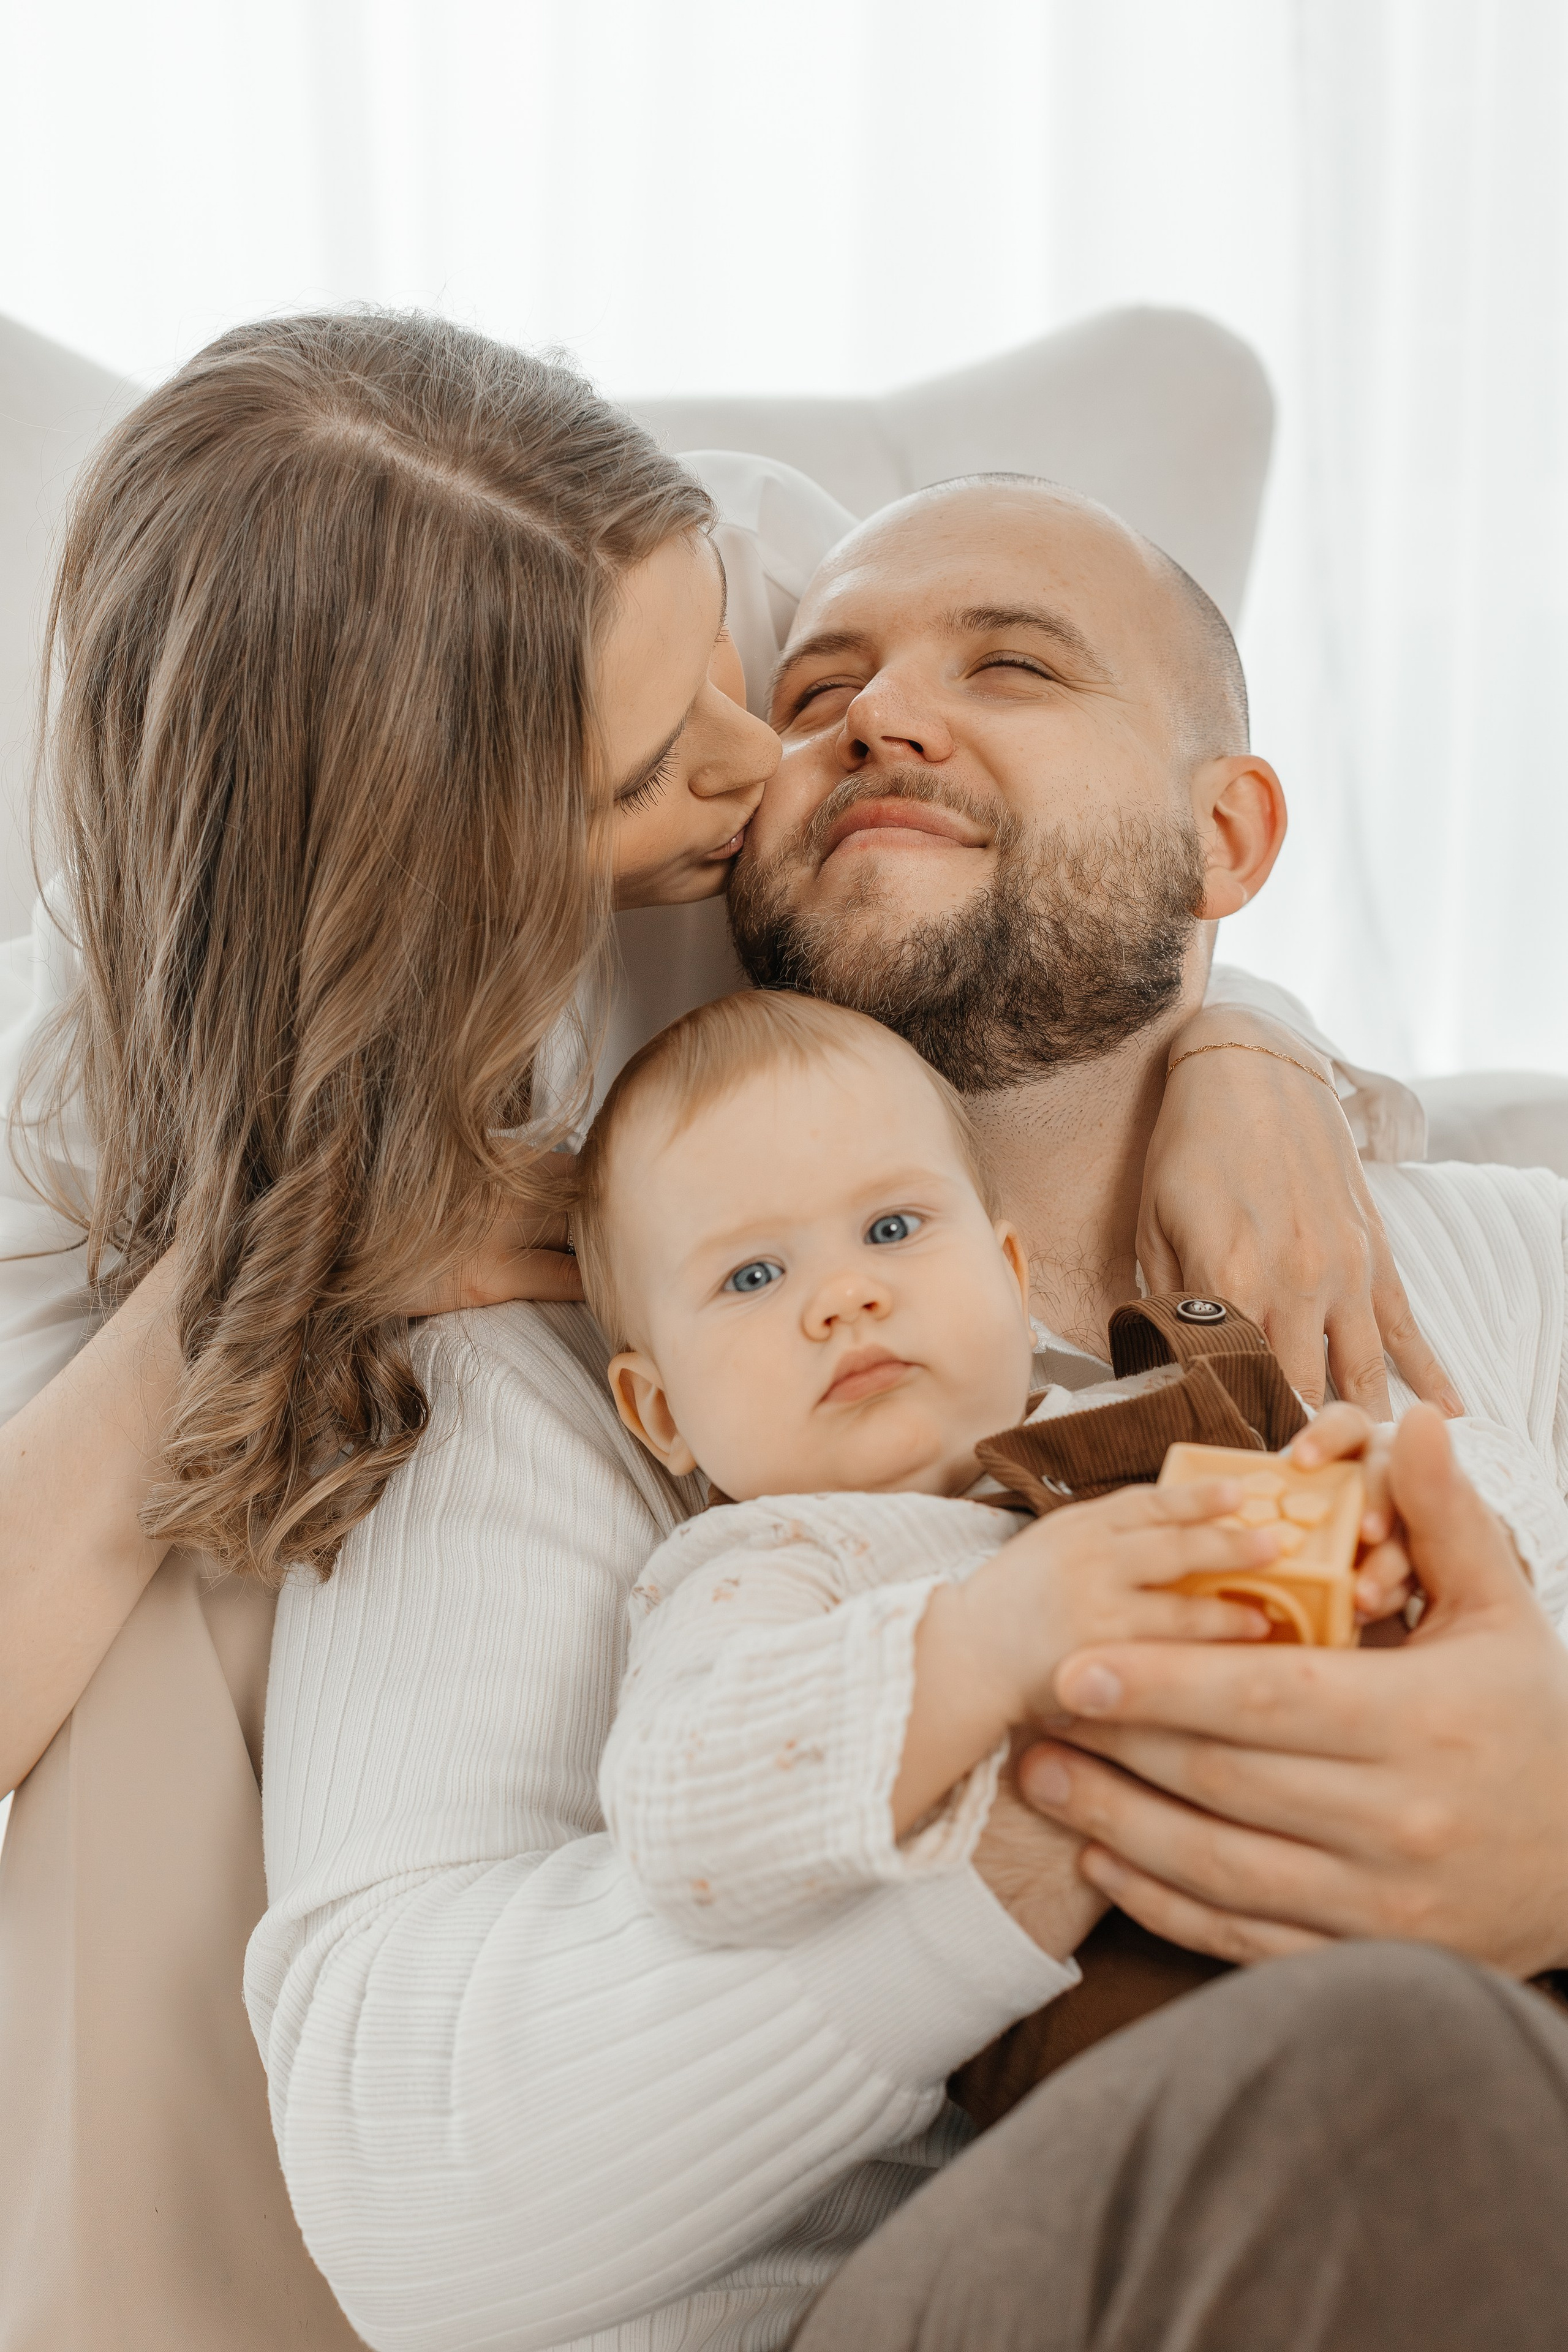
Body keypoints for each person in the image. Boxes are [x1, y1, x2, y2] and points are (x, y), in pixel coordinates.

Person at [0, 337, 1414, 2352]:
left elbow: (1059, 900)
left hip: (898, 1498)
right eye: (652, 776)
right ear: (433, 879)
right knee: (178, 1589)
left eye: (730, 686)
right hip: (582, 1602)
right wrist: (289, 1237)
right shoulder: (80, 1087)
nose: (767, 775)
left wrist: (1249, 1049)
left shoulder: (738, 598)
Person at [244, 474, 1568, 2350]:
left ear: (1227, 834)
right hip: (920, 2288)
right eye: (815, 694)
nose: (875, 714)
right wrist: (1072, 1803)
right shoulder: (549, 1374)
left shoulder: (1514, 1260)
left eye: (1014, 663)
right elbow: (404, 2200)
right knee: (1398, 2065)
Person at [579, 987, 1420, 1961]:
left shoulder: (1136, 1415)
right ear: (662, 1412)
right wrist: (984, 1645)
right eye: (753, 1276)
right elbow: (679, 1817)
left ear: (1009, 1276)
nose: (846, 1296)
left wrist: (1372, 1526)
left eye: (891, 1228)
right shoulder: (767, 1568)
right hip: (1147, 2021)